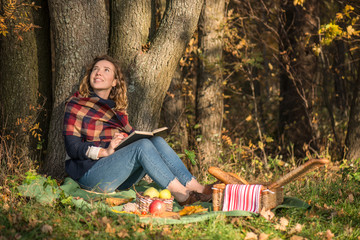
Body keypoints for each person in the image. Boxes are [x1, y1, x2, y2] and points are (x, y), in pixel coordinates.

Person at [63, 55, 212, 206]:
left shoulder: (117, 112)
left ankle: (198, 188)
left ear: (114, 82)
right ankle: (183, 196)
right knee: (143, 146)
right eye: (95, 69)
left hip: (119, 177)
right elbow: (72, 147)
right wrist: (104, 151)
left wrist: (124, 141)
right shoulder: (76, 105)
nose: (99, 73)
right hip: (91, 175)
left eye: (106, 70)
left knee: (156, 141)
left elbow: (131, 144)